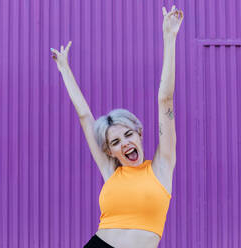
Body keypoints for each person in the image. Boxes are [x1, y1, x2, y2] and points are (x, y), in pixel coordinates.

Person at [50, 5, 183, 248]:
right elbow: (85, 116)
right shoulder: (111, 171)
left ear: (140, 134)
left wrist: (169, 38)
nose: (125, 143)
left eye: (128, 134)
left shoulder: (162, 167)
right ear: (110, 151)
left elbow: (165, 99)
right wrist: (65, 70)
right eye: (115, 142)